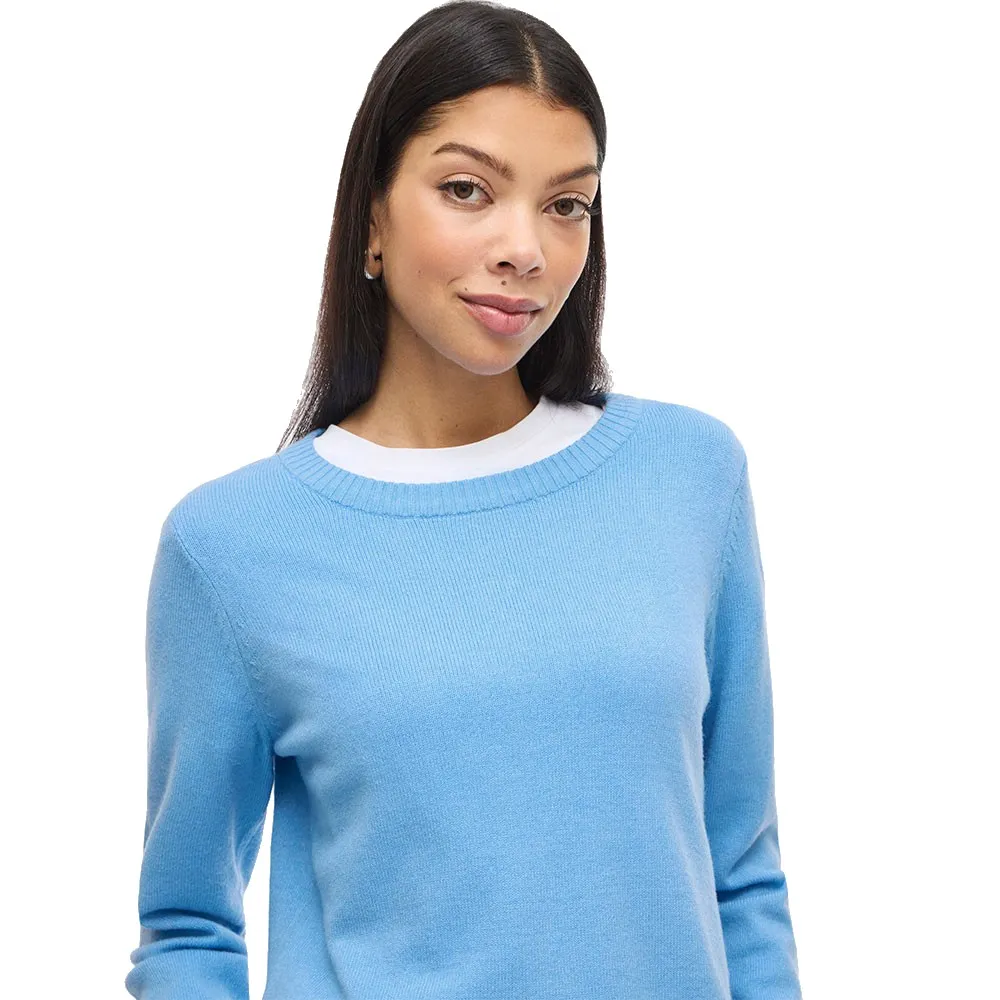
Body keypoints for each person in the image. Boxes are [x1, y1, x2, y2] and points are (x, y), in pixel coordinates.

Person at [125, 2, 803, 998]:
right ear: (371, 216)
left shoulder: (689, 475)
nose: (524, 247)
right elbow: (187, 926)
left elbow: (740, 872)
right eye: (466, 190)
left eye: (566, 204)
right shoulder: (231, 547)